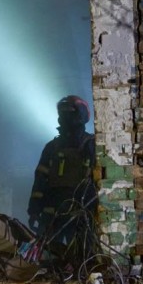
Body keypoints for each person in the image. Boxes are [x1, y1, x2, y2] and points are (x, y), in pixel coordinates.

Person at [27, 95, 97, 247]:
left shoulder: (90, 145)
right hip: (52, 215)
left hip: (79, 214)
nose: (66, 117)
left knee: (81, 257)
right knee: (48, 256)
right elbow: (40, 180)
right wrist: (34, 209)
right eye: (63, 113)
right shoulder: (52, 147)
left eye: (69, 112)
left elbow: (97, 181)